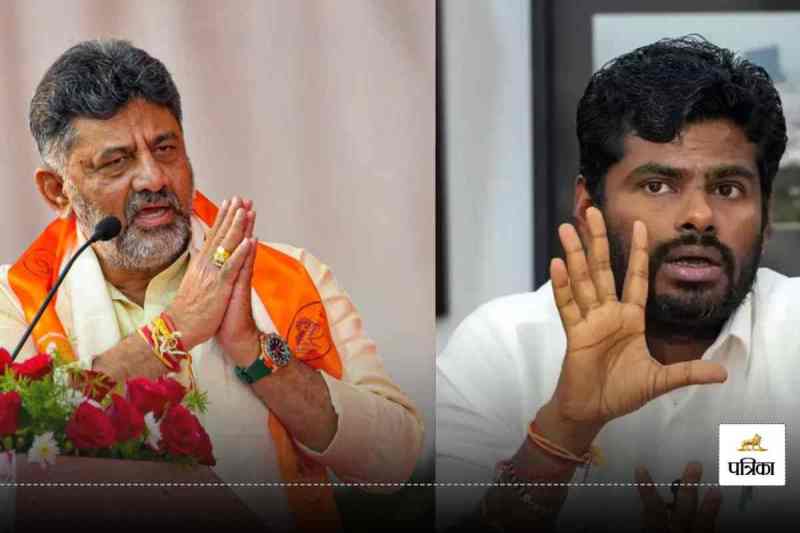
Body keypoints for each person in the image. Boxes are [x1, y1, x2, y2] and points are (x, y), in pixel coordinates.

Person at [0, 39, 423, 531]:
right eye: (116, 162)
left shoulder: (287, 276)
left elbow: (395, 458)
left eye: (165, 149)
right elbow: (18, 446)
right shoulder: (17, 300)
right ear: (57, 190)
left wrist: (256, 352)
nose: (153, 178)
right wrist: (174, 331)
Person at [437, 36, 800, 532]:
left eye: (727, 188)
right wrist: (562, 432)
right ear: (590, 205)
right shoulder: (504, 347)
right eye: (657, 185)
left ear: (766, 215)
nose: (699, 216)